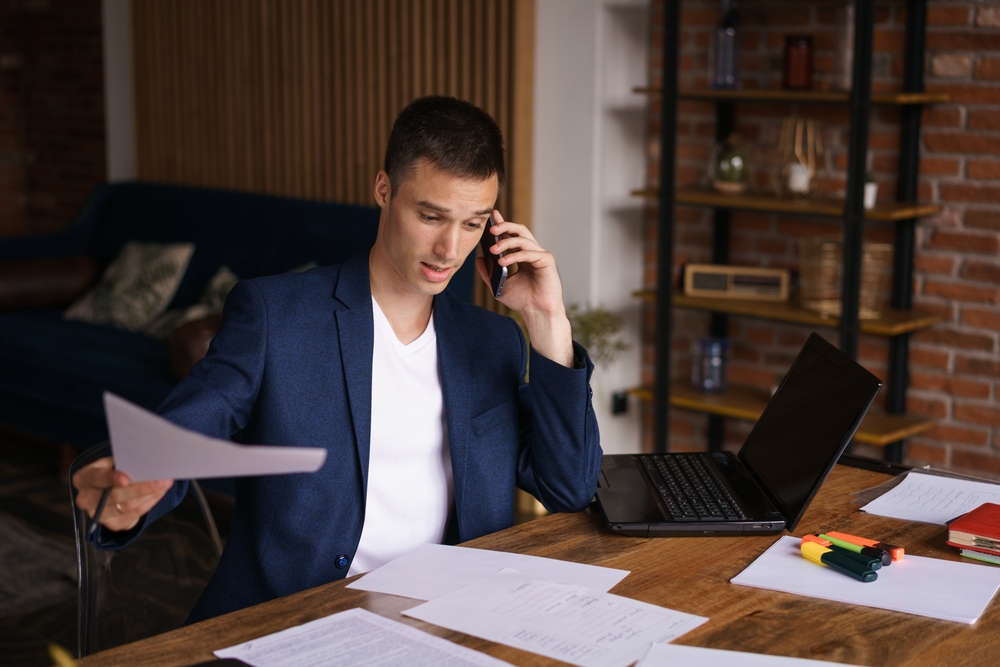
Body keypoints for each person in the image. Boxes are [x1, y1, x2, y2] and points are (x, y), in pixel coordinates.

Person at [72, 95, 602, 622]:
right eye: (430, 216)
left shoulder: (492, 342)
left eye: (472, 224)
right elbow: (187, 429)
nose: (448, 249)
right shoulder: (277, 316)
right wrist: (129, 482)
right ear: (384, 190)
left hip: (446, 621)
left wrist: (547, 319)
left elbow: (568, 486)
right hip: (293, 621)